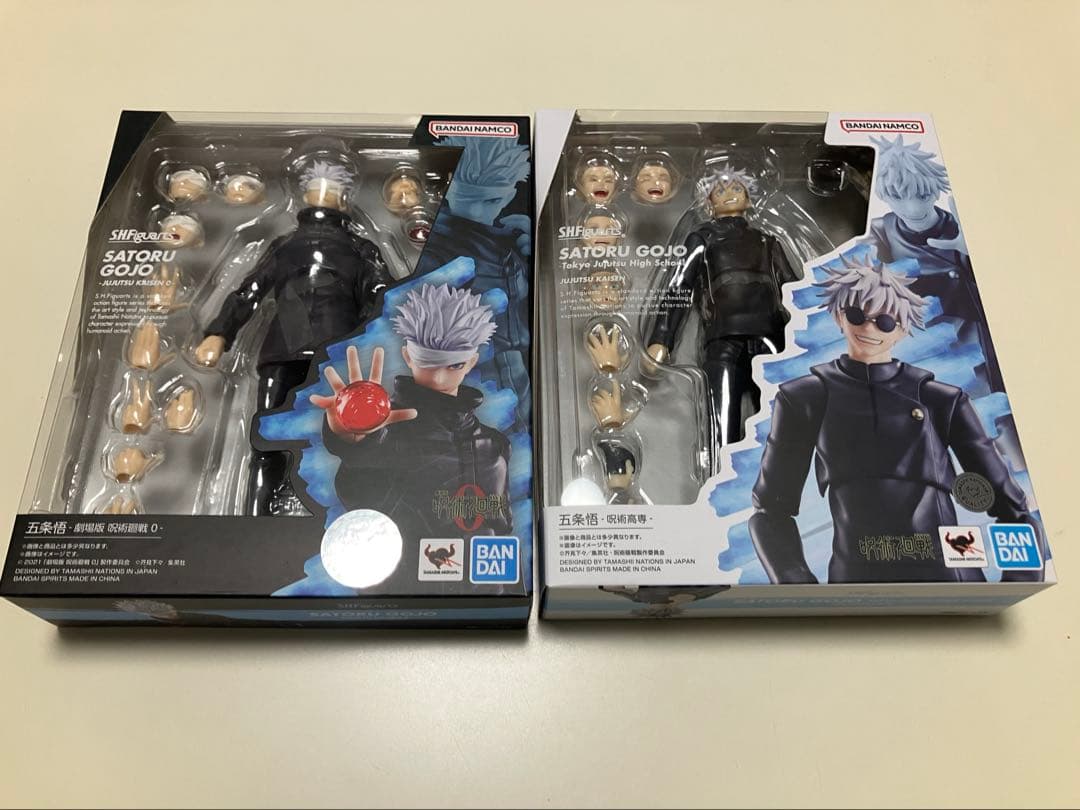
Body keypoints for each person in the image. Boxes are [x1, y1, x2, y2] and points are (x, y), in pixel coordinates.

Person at [749, 255, 1043, 584]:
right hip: (855, 579)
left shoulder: (941, 399)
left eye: (885, 321)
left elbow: (1014, 509)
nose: (868, 328)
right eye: (857, 315)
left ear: (902, 329)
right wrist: (799, 586)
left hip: (950, 575)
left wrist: (1019, 580)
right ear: (839, 316)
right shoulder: (805, 398)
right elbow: (769, 512)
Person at [194, 160, 392, 515]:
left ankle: (335, 513)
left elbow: (381, 292)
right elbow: (250, 291)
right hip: (289, 352)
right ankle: (257, 516)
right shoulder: (285, 246)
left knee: (341, 441)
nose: (323, 197)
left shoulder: (359, 249)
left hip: (335, 356)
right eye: (317, 190)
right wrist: (220, 333)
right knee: (269, 440)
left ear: (343, 199)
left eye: (330, 191)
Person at [312, 284, 512, 588]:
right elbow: (358, 483)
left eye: (455, 364)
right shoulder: (391, 432)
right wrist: (356, 438)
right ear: (408, 356)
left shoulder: (494, 444)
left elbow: (502, 527)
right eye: (427, 362)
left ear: (471, 361)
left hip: (489, 592)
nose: (440, 378)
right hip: (403, 591)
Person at [646, 162, 798, 449]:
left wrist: (815, 332)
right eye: (720, 190)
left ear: (749, 199)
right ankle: (723, 472)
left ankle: (781, 471)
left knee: (778, 422)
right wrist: (661, 338)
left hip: (770, 339)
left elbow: (793, 289)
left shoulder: (767, 241)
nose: (729, 193)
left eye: (736, 188)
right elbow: (679, 287)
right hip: (723, 340)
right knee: (722, 427)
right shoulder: (702, 238)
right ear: (708, 202)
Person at [866, 134, 1002, 392]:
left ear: (935, 189)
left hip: (975, 341)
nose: (913, 209)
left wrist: (976, 256)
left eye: (922, 194)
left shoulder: (961, 228)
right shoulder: (880, 232)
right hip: (920, 345)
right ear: (884, 196)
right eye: (897, 196)